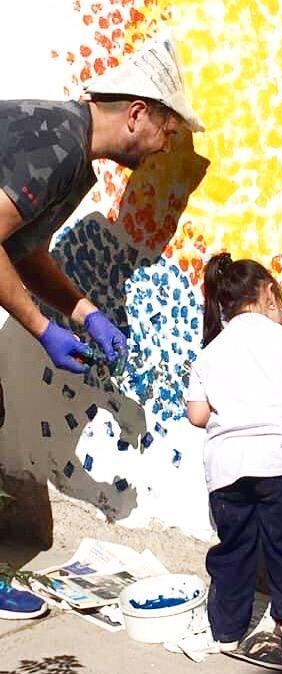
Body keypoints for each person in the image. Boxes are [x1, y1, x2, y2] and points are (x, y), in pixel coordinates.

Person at [0, 34, 203, 619]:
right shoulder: (61, 141)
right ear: (138, 114)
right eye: (169, 133)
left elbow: (21, 248)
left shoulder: (72, 154)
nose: (166, 150)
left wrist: (83, 312)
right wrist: (42, 329)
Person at [186, 253, 282, 654]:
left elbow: (198, 416)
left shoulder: (210, 351)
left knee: (233, 549)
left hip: (228, 468)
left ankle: (226, 630)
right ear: (268, 293)